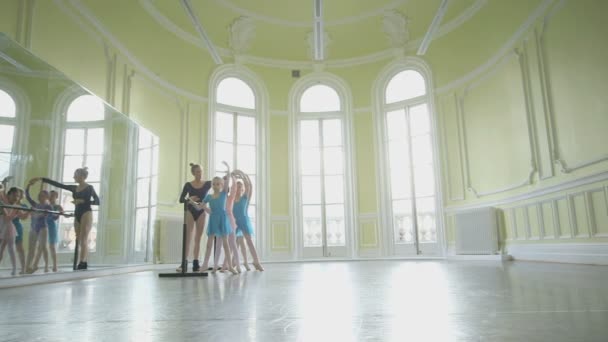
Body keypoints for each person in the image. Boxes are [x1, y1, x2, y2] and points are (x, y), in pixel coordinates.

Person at [34, 167, 99, 270]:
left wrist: (83, 201)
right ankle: (80, 261)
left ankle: (82, 262)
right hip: (77, 213)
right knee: (78, 238)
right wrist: (42, 179)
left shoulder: (89, 187)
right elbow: (59, 185)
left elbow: (97, 201)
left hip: (86, 212)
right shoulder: (74, 188)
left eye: (75, 175)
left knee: (83, 238)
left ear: (82, 176)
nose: (74, 177)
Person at [196, 162, 237, 275]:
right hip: (213, 220)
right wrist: (196, 204)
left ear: (222, 185)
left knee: (225, 243)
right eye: (214, 184)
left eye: (218, 184)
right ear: (212, 185)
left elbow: (228, 180)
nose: (215, 185)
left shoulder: (224, 193)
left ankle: (229, 266)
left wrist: (228, 169)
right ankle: (205, 265)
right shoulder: (209, 196)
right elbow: (201, 207)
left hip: (223, 220)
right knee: (209, 244)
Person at [177, 163, 212, 272]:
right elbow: (181, 199)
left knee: (198, 238)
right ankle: (184, 263)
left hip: (201, 211)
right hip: (190, 211)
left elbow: (221, 186)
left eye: (201, 171)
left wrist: (227, 177)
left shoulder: (207, 184)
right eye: (197, 172)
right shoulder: (188, 185)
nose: (200, 174)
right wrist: (189, 198)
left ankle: (196, 263)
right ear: (193, 173)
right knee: (188, 238)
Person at [232, 170, 264, 271]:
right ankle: (233, 261)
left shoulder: (245, 198)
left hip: (244, 221)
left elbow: (249, 186)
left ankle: (256, 261)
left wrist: (243, 175)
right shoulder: (231, 199)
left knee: (249, 241)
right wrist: (232, 177)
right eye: (236, 187)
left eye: (240, 187)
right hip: (234, 222)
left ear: (242, 189)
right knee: (235, 242)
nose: (238, 188)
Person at [24, 181, 53, 274]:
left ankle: (42, 265)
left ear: (47, 197)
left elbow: (46, 215)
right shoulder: (35, 204)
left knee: (42, 247)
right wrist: (28, 186)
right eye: (39, 195)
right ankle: (27, 267)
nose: (40, 197)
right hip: (33, 228)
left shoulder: (48, 206)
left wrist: (35, 213)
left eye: (43, 195)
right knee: (31, 248)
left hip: (42, 228)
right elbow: (27, 196)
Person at [0, 179, 25, 276]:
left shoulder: (16, 206)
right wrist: (4, 184)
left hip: (9, 228)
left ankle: (15, 268)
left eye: (18, 196)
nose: (16, 197)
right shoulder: (4, 201)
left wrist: (29, 211)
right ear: (9, 195)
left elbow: (22, 216)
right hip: (1, 226)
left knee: (11, 248)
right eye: (14, 195)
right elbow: (2, 194)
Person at [45, 190, 63, 272]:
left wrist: (59, 213)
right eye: (50, 195)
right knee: (43, 246)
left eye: (53, 196)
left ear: (56, 197)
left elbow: (58, 216)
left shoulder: (58, 206)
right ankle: (46, 265)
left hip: (52, 226)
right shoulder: (46, 205)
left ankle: (55, 265)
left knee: (52, 247)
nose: (51, 197)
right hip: (44, 225)